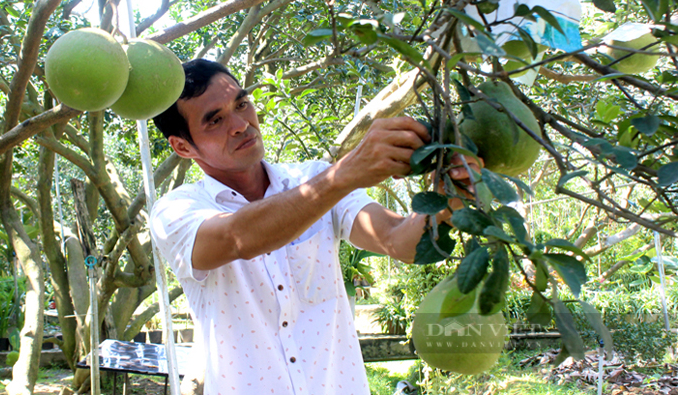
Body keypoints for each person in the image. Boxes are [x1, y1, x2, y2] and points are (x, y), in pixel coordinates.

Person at [150, 59, 479, 394]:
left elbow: (398, 240)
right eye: (215, 120)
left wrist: (449, 195)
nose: (240, 124)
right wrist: (343, 174)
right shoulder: (175, 211)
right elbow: (236, 237)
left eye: (242, 104)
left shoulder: (310, 177)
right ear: (182, 146)